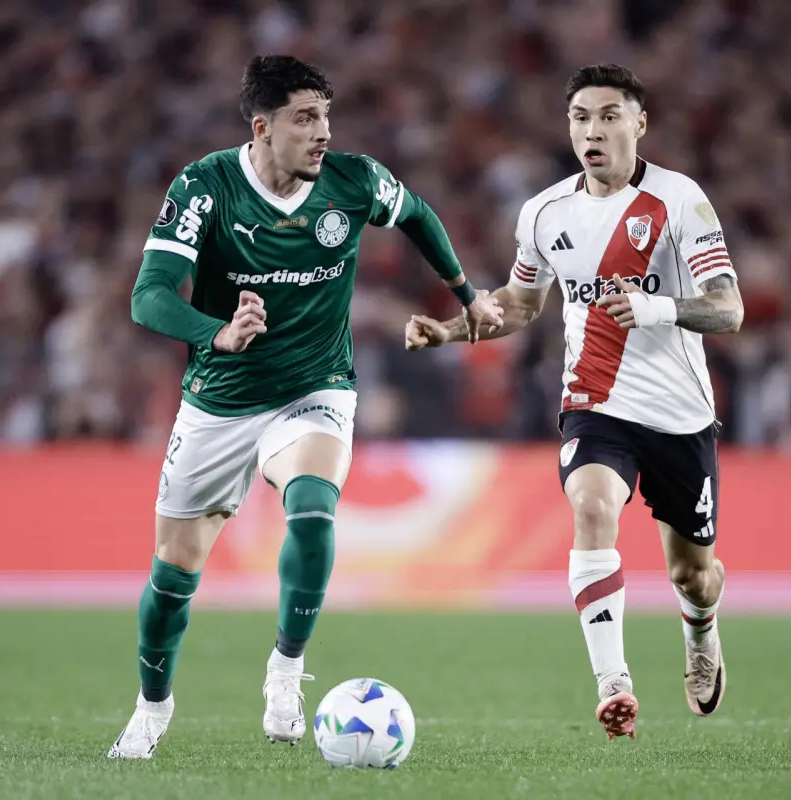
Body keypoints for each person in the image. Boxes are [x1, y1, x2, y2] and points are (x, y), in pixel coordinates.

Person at [108, 54, 503, 759]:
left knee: (314, 507)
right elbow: (149, 296)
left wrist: (464, 293)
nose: (323, 132)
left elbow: (415, 213)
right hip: (221, 403)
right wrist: (217, 332)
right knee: (173, 573)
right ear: (262, 127)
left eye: (326, 116)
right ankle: (151, 708)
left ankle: (286, 669)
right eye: (304, 119)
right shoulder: (206, 188)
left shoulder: (352, 181)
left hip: (315, 388)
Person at [404, 63, 743, 741]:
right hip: (595, 404)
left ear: (639, 124)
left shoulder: (679, 202)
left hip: (680, 414)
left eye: (610, 115)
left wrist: (656, 307)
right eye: (581, 116)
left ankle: (701, 632)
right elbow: (523, 306)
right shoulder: (544, 212)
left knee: (694, 573)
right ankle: (613, 684)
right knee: (591, 507)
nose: (593, 129)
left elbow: (728, 309)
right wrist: (450, 327)